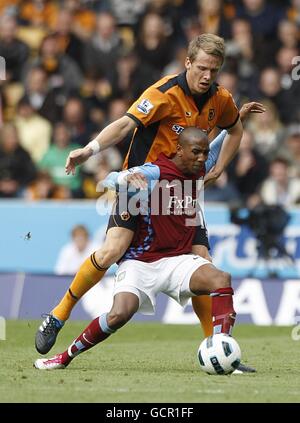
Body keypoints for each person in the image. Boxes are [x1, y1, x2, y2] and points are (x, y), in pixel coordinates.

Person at [35, 33, 264, 371]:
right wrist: (90, 149)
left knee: (203, 260)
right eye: (202, 68)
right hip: (141, 186)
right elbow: (126, 125)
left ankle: (216, 347)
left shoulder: (222, 99)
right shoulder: (162, 93)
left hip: (181, 192)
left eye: (214, 70)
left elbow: (236, 129)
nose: (207, 76)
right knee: (113, 250)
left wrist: (219, 168)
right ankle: (59, 313)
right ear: (187, 62)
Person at [34, 127, 238, 371]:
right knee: (119, 313)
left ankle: (222, 348)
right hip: (141, 261)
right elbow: (109, 179)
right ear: (179, 150)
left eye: (204, 154)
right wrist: (124, 179)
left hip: (177, 260)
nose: (202, 158)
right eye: (196, 153)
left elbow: (214, 151)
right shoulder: (155, 171)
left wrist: (236, 122)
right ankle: (64, 356)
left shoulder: (198, 165)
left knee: (220, 277)